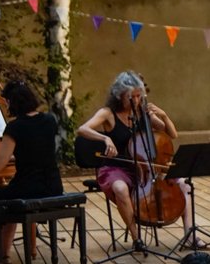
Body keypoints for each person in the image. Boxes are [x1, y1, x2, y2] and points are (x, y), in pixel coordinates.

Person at [76, 70, 197, 246]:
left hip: (145, 169)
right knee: (120, 188)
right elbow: (82, 129)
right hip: (116, 168)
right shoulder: (108, 113)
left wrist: (163, 115)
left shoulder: (143, 113)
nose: (136, 100)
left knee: (184, 184)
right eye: (131, 97)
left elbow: (171, 133)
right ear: (119, 95)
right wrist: (105, 138)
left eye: (139, 96)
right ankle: (137, 238)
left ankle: (190, 236)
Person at [0, 80, 63, 264]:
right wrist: (15, 156)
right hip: (52, 186)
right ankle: (4, 255)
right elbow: (37, 150)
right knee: (8, 202)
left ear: (12, 103)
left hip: (28, 189)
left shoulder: (15, 127)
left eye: (7, 102)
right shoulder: (49, 120)